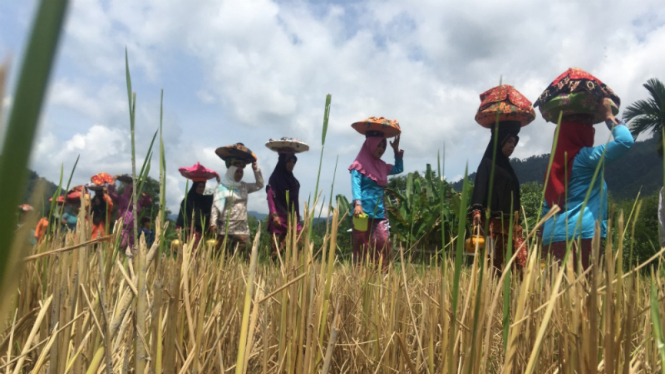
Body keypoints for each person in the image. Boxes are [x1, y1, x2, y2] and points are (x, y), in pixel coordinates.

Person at [540, 98, 634, 269]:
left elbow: (547, 207)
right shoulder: (585, 158)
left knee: (556, 292)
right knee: (583, 292)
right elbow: (625, 142)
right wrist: (608, 116)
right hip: (581, 235)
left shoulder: (553, 167)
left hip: (551, 236)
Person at [469, 122, 527, 273]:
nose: (512, 146)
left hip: (512, 226)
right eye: (509, 142)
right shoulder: (487, 164)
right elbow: (480, 188)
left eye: (514, 143)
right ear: (499, 140)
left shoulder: (509, 168)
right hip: (491, 226)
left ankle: (516, 293)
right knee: (492, 260)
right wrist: (476, 211)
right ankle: (493, 294)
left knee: (520, 262)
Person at [350, 132, 403, 267]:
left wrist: (396, 151)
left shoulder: (382, 166)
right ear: (370, 145)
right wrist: (357, 204)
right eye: (378, 145)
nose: (381, 149)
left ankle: (382, 274)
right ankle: (360, 275)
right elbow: (356, 185)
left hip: (379, 211)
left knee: (383, 242)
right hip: (361, 212)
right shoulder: (358, 165)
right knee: (361, 245)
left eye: (383, 146)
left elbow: (398, 168)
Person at [210, 159, 264, 253]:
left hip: (242, 227)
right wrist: (213, 223)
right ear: (231, 172)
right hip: (226, 227)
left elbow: (259, 185)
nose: (239, 174)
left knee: (245, 253)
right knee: (223, 255)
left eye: (241, 172)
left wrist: (255, 170)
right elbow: (216, 206)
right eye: (237, 172)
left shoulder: (244, 186)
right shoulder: (222, 187)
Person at [266, 152, 302, 257]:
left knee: (298, 243)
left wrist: (297, 218)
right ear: (283, 162)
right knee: (278, 249)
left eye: (293, 162)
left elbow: (296, 201)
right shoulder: (274, 179)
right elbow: (270, 197)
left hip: (291, 217)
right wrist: (274, 215)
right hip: (279, 217)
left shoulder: (295, 182)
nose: (291, 164)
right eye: (289, 161)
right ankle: (275, 269)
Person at [108, 177, 152, 252]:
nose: (131, 192)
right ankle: (117, 258)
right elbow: (111, 193)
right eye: (130, 189)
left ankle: (128, 262)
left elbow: (148, 201)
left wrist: (140, 191)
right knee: (121, 244)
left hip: (133, 228)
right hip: (122, 226)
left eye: (133, 190)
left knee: (131, 247)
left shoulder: (138, 201)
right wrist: (113, 181)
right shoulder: (121, 199)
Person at [176, 180, 214, 247]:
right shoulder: (187, 200)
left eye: (203, 187)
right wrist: (179, 227)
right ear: (194, 187)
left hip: (202, 231)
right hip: (190, 231)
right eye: (199, 187)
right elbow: (182, 215)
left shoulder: (206, 200)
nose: (201, 189)